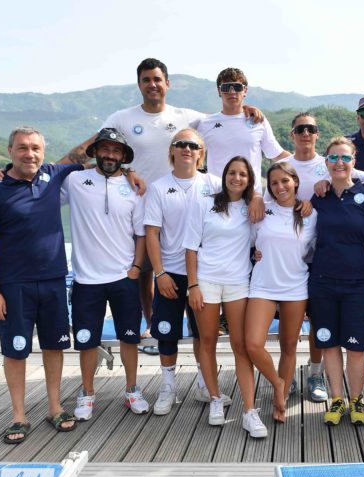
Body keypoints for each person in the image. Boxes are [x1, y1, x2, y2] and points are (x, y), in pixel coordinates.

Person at [59, 58, 263, 346]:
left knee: (191, 263)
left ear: (167, 83)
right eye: (146, 80)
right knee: (144, 272)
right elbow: (89, 148)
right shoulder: (122, 118)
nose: (152, 84)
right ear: (139, 84)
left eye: (157, 79)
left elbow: (223, 118)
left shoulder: (185, 116)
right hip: (139, 201)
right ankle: (152, 323)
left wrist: (245, 109)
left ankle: (201, 325)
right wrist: (43, 174)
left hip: (184, 203)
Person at [0, 126, 81, 443]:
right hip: (13, 285)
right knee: (16, 351)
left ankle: (55, 407)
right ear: (10, 151)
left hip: (53, 280)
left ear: (43, 152)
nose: (29, 154)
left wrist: (131, 173)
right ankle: (19, 416)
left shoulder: (53, 174)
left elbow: (88, 154)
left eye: (35, 148)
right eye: (22, 148)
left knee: (54, 346)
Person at [270, 112, 364, 403]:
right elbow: (268, 198)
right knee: (288, 323)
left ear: (317, 134)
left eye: (310, 129)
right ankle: (286, 373)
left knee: (318, 321)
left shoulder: (330, 163)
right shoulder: (284, 165)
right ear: (292, 134)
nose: (305, 133)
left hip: (323, 255)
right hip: (291, 256)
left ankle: (316, 373)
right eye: (300, 128)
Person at [144, 128, 231, 414]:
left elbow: (240, 207)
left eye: (193, 145)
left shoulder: (215, 184)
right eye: (180, 144)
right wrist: (159, 274)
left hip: (203, 274)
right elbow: (152, 233)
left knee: (203, 334)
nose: (186, 149)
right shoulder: (158, 187)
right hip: (170, 273)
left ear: (200, 152)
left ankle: (205, 385)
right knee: (166, 333)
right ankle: (168, 388)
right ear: (171, 150)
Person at [65, 128, 149, 420]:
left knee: (130, 337)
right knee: (87, 340)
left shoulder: (133, 188)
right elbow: (42, 178)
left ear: (123, 156)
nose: (110, 155)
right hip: (86, 279)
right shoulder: (75, 180)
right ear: (95, 152)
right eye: (105, 149)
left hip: (123, 277)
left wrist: (136, 268)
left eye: (116, 151)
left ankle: (132, 390)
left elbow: (141, 234)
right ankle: (87, 393)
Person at [309, 136, 364, 426]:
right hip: (323, 282)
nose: (339, 163)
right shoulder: (318, 197)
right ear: (326, 162)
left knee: (356, 346)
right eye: (333, 158)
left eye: (345, 157)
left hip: (358, 284)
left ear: (354, 162)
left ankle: (356, 400)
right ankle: (337, 399)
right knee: (329, 345)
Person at [183, 156, 255, 428]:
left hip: (239, 283)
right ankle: (214, 398)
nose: (237, 178)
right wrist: (193, 285)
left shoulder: (252, 208)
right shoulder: (205, 203)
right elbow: (191, 248)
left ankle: (249, 408)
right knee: (208, 340)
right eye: (232, 173)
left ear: (249, 180)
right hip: (207, 282)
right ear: (224, 176)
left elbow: (262, 239)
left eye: (243, 174)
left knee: (240, 344)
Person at [245, 162, 317, 429]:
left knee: (289, 346)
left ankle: (281, 399)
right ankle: (278, 383)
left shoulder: (311, 214)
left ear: (295, 181)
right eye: (274, 183)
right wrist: (255, 254)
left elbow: (314, 251)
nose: (280, 187)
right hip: (263, 284)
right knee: (253, 344)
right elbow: (248, 241)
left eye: (284, 181)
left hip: (296, 286)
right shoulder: (262, 209)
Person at [194, 67, 290, 195]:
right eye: (226, 87)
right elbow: (193, 159)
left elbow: (277, 155)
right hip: (217, 197)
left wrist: (313, 162)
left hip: (251, 199)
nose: (232, 91)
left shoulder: (258, 120)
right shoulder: (206, 124)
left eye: (237, 87)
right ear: (219, 91)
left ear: (245, 90)